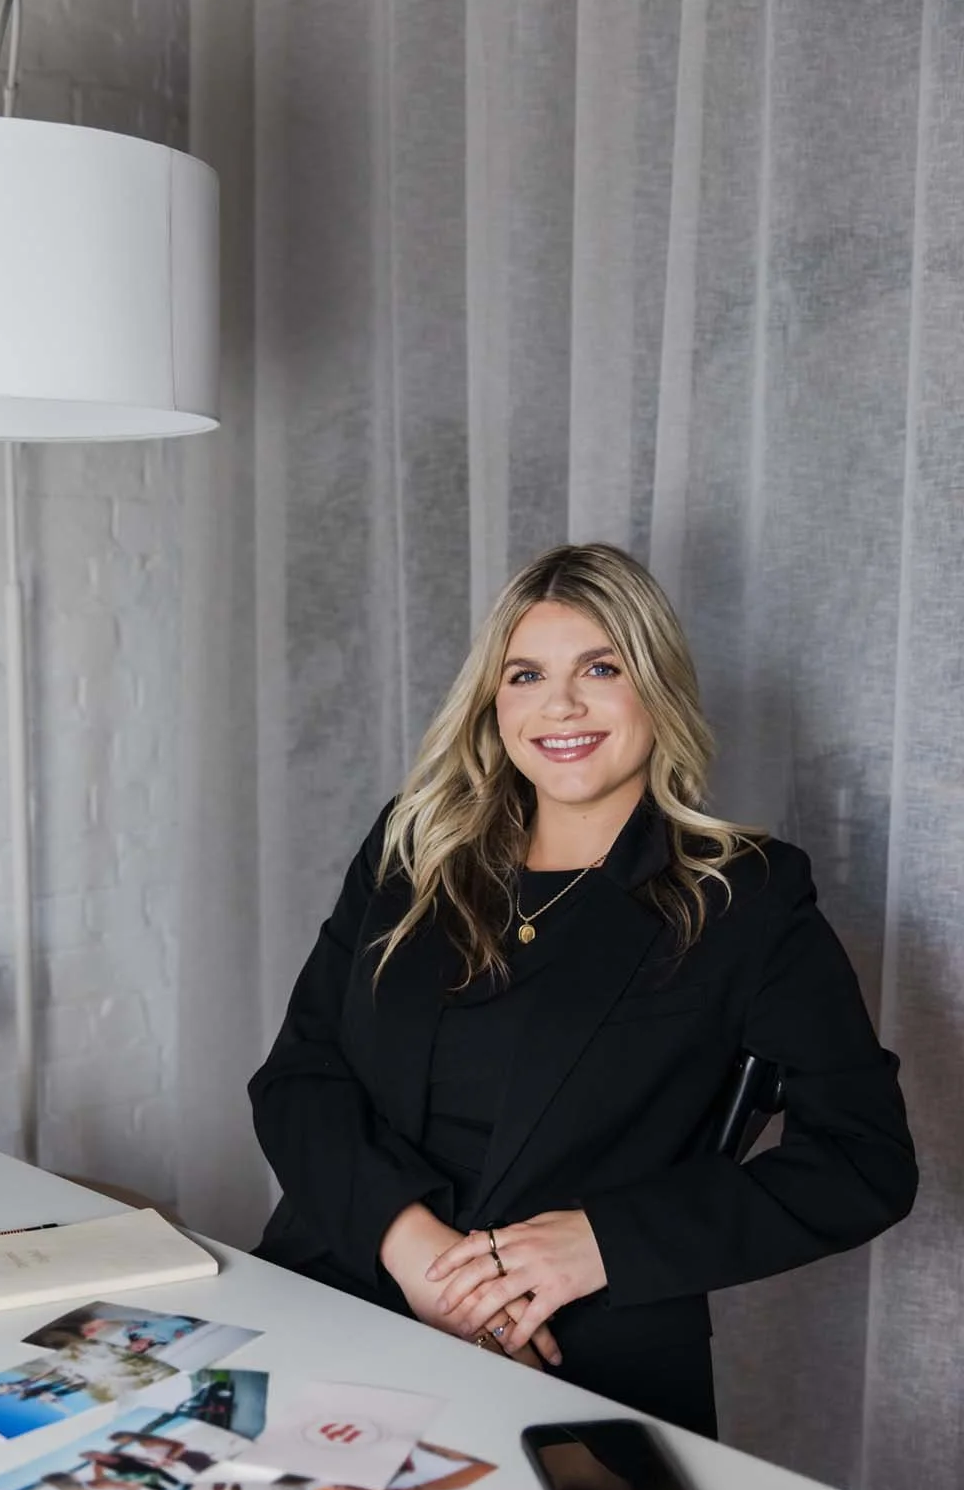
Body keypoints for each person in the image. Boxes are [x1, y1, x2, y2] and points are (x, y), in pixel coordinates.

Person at [249, 542, 917, 1439]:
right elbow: (299, 1076)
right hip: (341, 1288)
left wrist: (602, 1242)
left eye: (600, 667)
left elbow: (863, 1161)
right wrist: (415, 1252)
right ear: (496, 703)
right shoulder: (412, 848)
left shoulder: (743, 896)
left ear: (656, 686)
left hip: (575, 1358)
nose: (559, 704)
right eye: (526, 674)